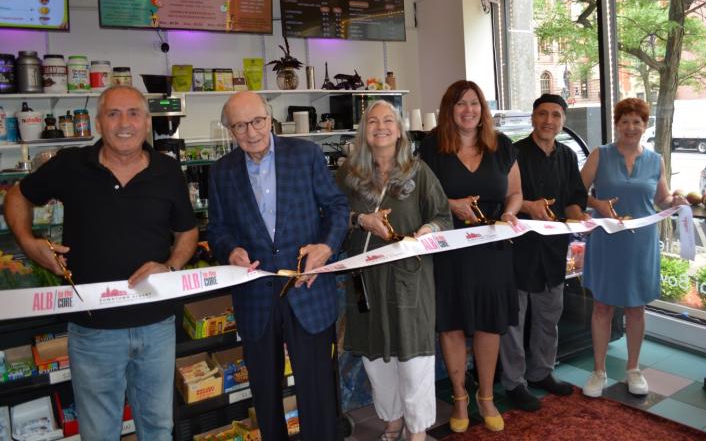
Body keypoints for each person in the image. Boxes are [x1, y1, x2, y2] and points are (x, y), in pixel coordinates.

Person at [4, 86, 199, 440]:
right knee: (99, 432)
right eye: (113, 114)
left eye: (133, 113)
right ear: (98, 122)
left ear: (146, 121)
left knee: (158, 427)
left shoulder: (167, 170)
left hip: (156, 326)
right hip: (93, 331)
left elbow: (187, 233)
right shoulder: (71, 164)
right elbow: (17, 197)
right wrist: (30, 244)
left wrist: (169, 267)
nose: (124, 123)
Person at [208, 91, 349, 441]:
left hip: (308, 289)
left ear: (270, 119)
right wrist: (229, 252)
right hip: (256, 296)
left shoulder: (306, 155)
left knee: (318, 394)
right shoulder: (222, 171)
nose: (251, 132)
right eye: (240, 126)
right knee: (266, 396)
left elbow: (336, 208)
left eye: (257, 121)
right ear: (230, 131)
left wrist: (326, 247)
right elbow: (218, 228)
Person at [335, 101, 452, 441]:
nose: (381, 126)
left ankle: (417, 430)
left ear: (400, 130)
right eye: (373, 121)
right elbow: (331, 218)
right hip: (365, 280)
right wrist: (360, 220)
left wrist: (427, 231)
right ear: (364, 130)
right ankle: (391, 422)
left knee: (414, 357)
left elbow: (443, 215)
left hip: (410, 278)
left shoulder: (419, 171)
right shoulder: (348, 175)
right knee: (375, 355)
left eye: (389, 120)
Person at [419, 80, 523, 433]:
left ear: (483, 109)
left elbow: (516, 193)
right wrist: (451, 205)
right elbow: (420, 197)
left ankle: (487, 397)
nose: (468, 110)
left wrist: (511, 213)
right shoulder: (432, 147)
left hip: (492, 247)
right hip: (450, 248)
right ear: (450, 109)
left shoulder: (502, 146)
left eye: (474, 103)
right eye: (460, 104)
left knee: (489, 323)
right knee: (451, 323)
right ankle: (460, 398)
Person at [579, 97, 688, 398]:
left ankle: (633, 369)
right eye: (624, 121)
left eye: (636, 122)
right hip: (606, 240)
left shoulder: (656, 160)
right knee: (602, 306)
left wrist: (675, 201)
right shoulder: (600, 155)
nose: (630, 127)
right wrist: (597, 203)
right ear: (616, 124)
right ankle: (599, 370)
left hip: (641, 243)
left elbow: (662, 200)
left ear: (644, 126)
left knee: (636, 308)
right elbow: (576, 190)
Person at [499, 94, 589, 410]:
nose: (548, 121)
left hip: (553, 250)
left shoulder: (566, 155)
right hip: (518, 248)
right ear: (533, 118)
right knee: (515, 320)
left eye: (555, 115)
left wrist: (580, 215)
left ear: (563, 121)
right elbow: (501, 195)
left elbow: (575, 197)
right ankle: (514, 382)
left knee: (549, 316)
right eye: (542, 114)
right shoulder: (513, 152)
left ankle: (542, 372)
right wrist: (528, 206)